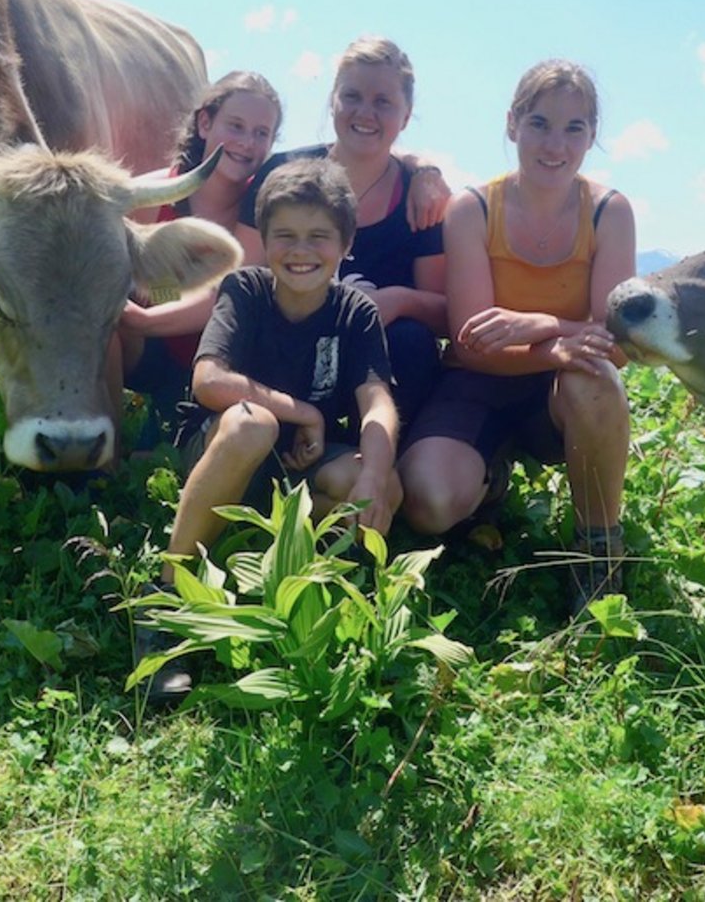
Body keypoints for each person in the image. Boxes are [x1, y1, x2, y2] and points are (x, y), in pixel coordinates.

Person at [136, 158, 402, 702]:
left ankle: (309, 597)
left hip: (298, 473)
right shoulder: (246, 290)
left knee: (380, 483)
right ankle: (165, 598)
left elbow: (377, 400)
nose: (300, 250)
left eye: (318, 237)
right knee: (252, 425)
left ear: (346, 243)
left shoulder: (355, 311)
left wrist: (375, 471)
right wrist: (303, 411)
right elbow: (209, 381)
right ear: (265, 239)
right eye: (285, 235)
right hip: (220, 445)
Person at [398, 60, 636, 614]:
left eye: (574, 128)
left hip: (560, 394)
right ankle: (492, 479)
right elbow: (471, 342)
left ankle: (598, 552)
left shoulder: (608, 212)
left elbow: (619, 343)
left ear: (592, 136)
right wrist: (558, 343)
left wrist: (541, 324)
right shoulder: (474, 209)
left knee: (595, 379)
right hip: (477, 384)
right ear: (512, 125)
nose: (555, 143)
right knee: (429, 504)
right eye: (539, 123)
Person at [238, 36, 450, 424]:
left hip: (372, 367)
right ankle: (276, 445)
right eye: (351, 96)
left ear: (406, 115)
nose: (365, 113)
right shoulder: (282, 174)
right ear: (332, 99)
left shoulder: (420, 197)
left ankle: (385, 462)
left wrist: (398, 300)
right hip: (285, 354)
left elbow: (442, 313)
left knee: (411, 342)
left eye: (383, 101)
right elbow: (242, 282)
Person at [108, 71, 282, 437]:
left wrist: (147, 311)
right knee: (104, 323)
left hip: (221, 365)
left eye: (261, 133)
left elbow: (224, 297)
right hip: (147, 351)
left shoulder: (263, 208)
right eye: (235, 125)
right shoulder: (150, 195)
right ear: (205, 122)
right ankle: (103, 454)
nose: (247, 143)